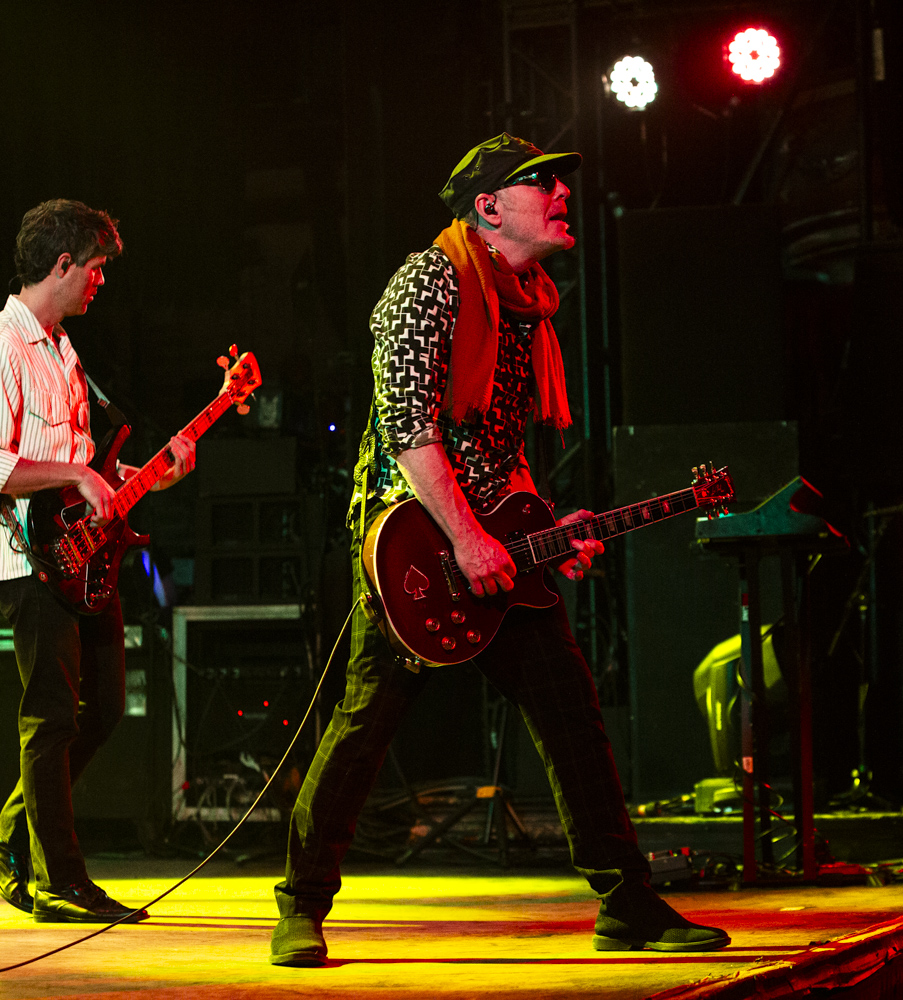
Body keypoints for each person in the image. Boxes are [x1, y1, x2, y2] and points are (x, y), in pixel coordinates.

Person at [269, 134, 729, 966]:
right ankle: (301, 904)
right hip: (413, 546)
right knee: (364, 727)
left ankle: (625, 903)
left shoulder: (528, 303)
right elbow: (409, 428)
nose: (561, 194)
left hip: (491, 541)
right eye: (540, 183)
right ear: (488, 207)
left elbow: (496, 447)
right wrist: (468, 537)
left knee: (572, 714)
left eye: (559, 183)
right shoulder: (429, 281)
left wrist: (543, 526)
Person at [0, 199, 195, 922]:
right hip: (28, 560)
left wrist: (153, 476)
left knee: (106, 707)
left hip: (82, 557)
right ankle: (60, 880)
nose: (101, 281)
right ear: (62, 264)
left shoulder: (63, 351)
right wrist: (75, 475)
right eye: (95, 267)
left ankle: (4, 835)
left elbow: (88, 470)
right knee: (53, 716)